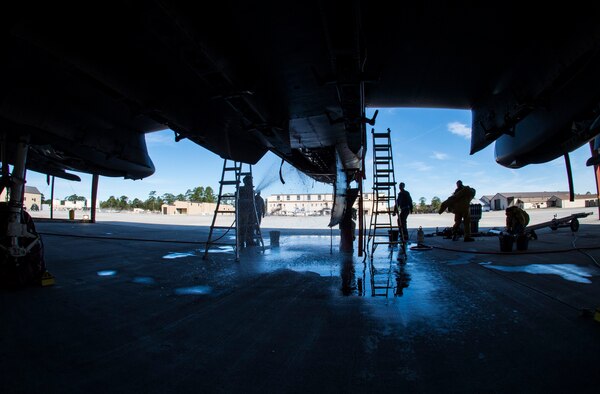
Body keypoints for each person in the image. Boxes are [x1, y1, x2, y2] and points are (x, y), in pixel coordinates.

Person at [238, 175, 256, 247]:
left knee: (251, 226)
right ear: (246, 181)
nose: (251, 182)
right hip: (244, 211)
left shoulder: (251, 190)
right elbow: (239, 199)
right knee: (243, 226)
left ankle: (249, 241)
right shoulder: (241, 189)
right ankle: (241, 241)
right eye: (250, 180)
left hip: (250, 211)